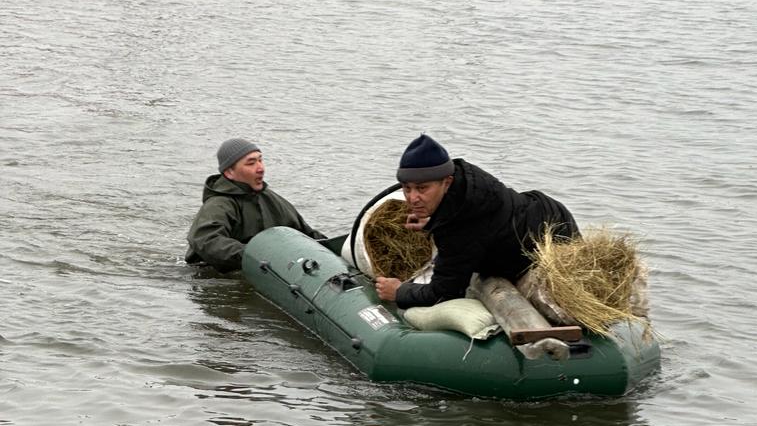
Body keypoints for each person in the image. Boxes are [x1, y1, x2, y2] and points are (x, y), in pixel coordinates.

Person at [373, 135, 578, 309]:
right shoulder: (467, 179)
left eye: (422, 188)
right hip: (543, 211)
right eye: (407, 189)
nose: (413, 198)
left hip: (552, 238)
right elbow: (477, 223)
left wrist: (399, 292)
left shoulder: (461, 228)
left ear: (447, 182)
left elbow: (444, 293)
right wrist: (432, 222)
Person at [186, 138, 325, 271]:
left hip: (265, 264)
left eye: (260, 160)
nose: (261, 168)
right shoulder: (219, 204)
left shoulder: (272, 200)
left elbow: (306, 235)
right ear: (229, 172)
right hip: (211, 272)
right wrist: (255, 255)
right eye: (251, 163)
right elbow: (206, 240)